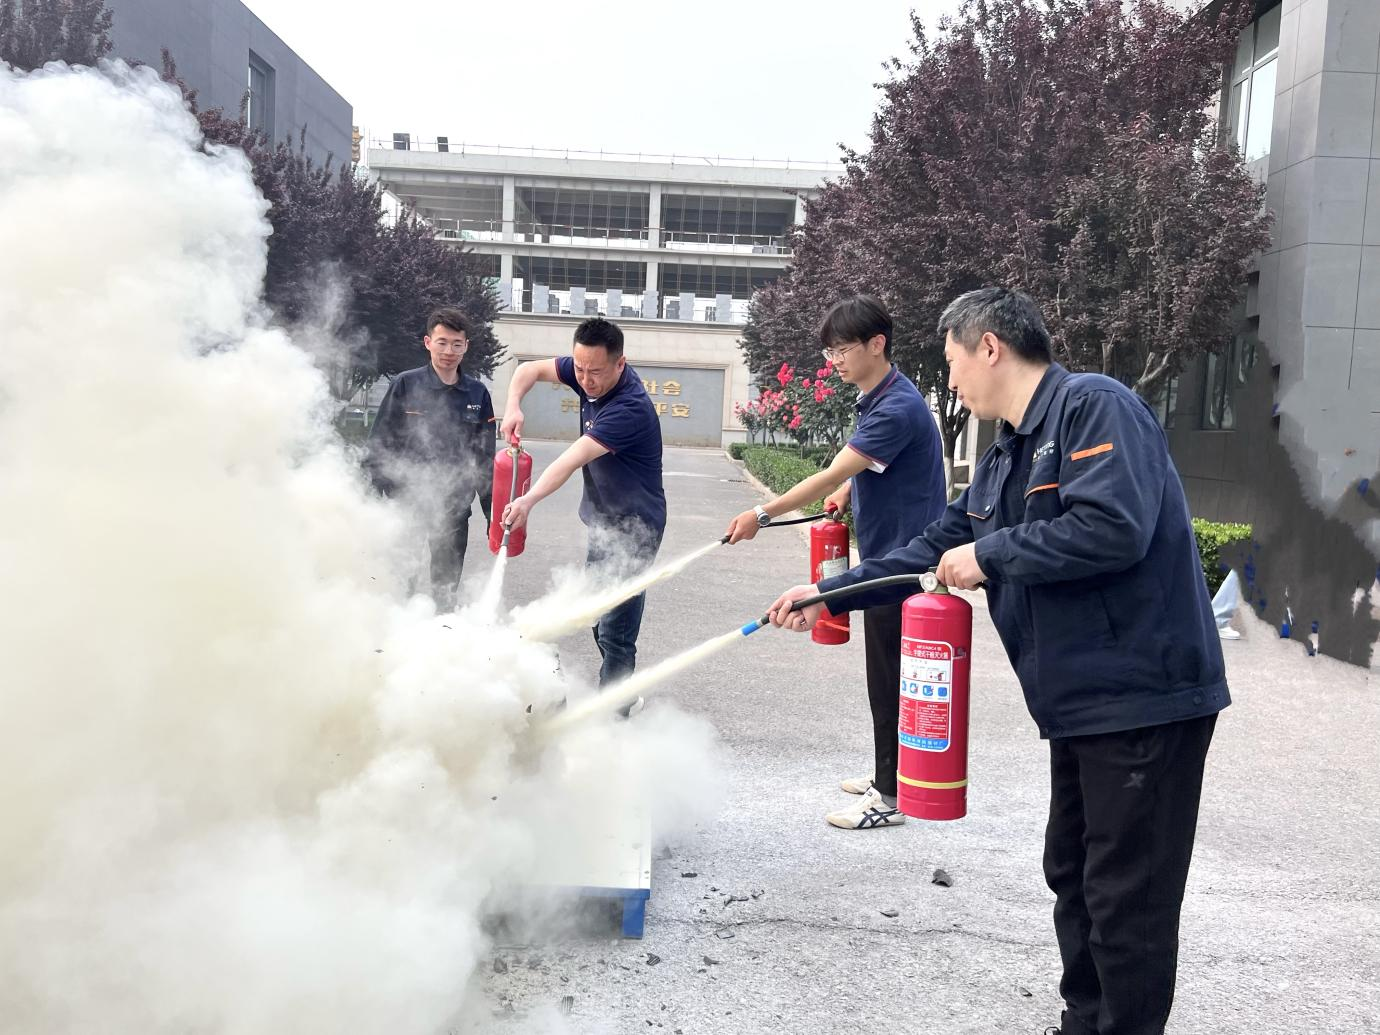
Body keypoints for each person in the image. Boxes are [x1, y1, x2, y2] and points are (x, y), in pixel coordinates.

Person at [768, 287, 1229, 1035]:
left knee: (1126, 894)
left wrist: (990, 553)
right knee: (1074, 875)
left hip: (1145, 696)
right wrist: (829, 593)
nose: (949, 382)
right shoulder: (1003, 457)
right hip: (1079, 705)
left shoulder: (1095, 408)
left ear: (990, 347)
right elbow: (928, 544)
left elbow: (1114, 527)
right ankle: (1083, 1021)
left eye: (951, 361)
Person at [725, 295, 946, 830]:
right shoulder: (881, 395)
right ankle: (886, 775)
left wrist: (763, 512)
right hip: (887, 554)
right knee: (884, 676)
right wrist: (851, 490)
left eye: (843, 350)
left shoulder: (894, 407)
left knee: (889, 678)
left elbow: (826, 472)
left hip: (902, 564)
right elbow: (859, 467)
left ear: (878, 344)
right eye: (830, 354)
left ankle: (890, 795)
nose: (837, 362)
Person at [500, 316, 666, 703]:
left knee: (615, 632)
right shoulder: (586, 368)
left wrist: (527, 500)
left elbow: (571, 459)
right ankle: (623, 693)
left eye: (596, 372)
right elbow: (528, 369)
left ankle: (615, 712)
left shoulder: (629, 407)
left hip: (636, 528)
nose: (586, 380)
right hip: (603, 521)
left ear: (620, 364)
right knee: (598, 618)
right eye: (579, 369)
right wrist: (513, 406)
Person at [365, 306, 494, 610]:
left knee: (446, 588)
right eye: (442, 342)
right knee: (399, 582)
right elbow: (380, 441)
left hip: (454, 507)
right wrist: (375, 499)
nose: (449, 351)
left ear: (466, 346)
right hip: (407, 502)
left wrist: (492, 514)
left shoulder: (477, 394)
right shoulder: (405, 385)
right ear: (427, 342)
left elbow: (485, 460)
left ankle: (440, 643)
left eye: (456, 344)